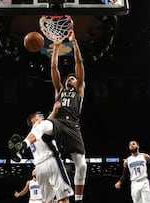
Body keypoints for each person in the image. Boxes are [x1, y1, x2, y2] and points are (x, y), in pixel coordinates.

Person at [50, 30, 87, 203]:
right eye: (69, 78)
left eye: (74, 78)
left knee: (82, 165)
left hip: (73, 126)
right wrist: (56, 48)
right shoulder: (59, 90)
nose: (72, 78)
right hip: (57, 123)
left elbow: (79, 61)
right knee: (45, 125)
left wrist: (74, 43)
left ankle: (78, 199)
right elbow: (54, 68)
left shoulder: (79, 90)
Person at [9, 112, 74, 203]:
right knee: (64, 197)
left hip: (39, 168)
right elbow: (47, 122)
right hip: (51, 162)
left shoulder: (30, 134)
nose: (42, 117)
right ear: (33, 120)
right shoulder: (40, 126)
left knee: (47, 200)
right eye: (39, 116)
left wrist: (19, 151)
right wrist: (54, 111)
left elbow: (46, 123)